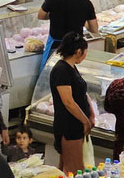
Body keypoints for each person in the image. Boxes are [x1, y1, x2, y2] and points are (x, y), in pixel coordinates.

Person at [49, 32, 93, 176]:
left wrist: (91, 113)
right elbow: (68, 102)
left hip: (76, 124)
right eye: (85, 52)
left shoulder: (71, 67)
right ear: (78, 51)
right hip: (69, 126)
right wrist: (85, 121)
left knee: (64, 169)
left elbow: (81, 93)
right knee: (74, 171)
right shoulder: (61, 70)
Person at [38, 0, 98, 67]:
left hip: (55, 46)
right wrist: (83, 21)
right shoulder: (86, 3)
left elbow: (41, 15)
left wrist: (54, 14)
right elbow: (94, 29)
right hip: (75, 48)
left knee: (49, 72)